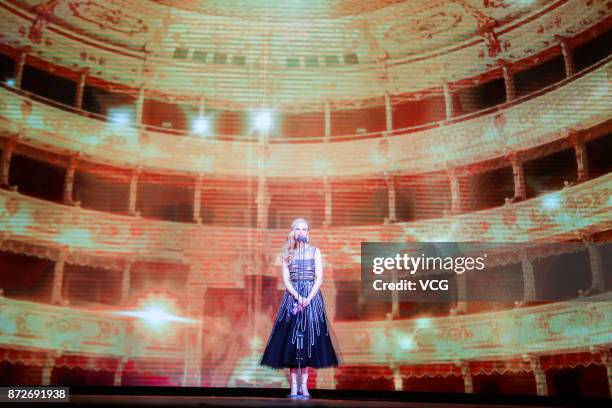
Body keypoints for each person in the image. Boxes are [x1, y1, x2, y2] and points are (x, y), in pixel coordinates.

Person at [259, 218, 339, 399]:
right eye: (298, 229)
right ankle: (294, 387)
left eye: (304, 229)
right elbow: (286, 280)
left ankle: (305, 386)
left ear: (308, 233)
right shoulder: (287, 253)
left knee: (309, 343)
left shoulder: (315, 251)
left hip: (311, 299)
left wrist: (308, 299)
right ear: (293, 232)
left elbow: (319, 278)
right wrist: (298, 297)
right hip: (293, 297)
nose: (301, 232)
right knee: (292, 344)